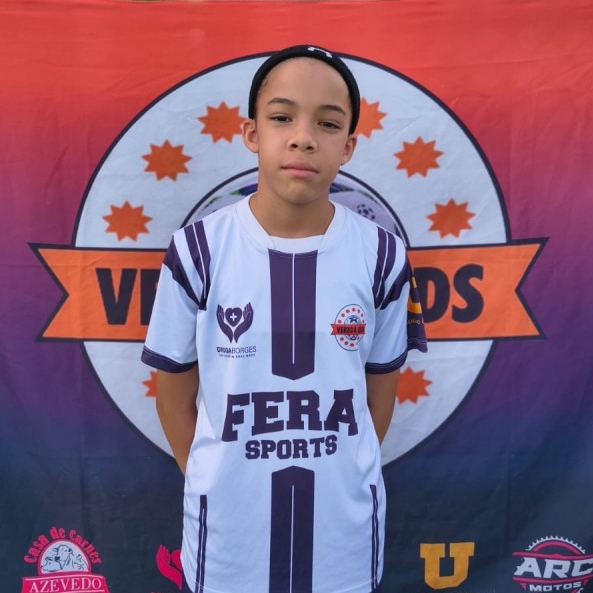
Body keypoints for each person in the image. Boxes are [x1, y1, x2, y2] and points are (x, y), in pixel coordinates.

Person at [142, 45, 427, 593]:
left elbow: (377, 401)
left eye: (327, 123)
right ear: (251, 134)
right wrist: (219, 479)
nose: (303, 138)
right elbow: (173, 399)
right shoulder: (198, 251)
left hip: (343, 539)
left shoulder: (383, 256)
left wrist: (339, 468)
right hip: (227, 542)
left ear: (348, 146)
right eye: (281, 118)